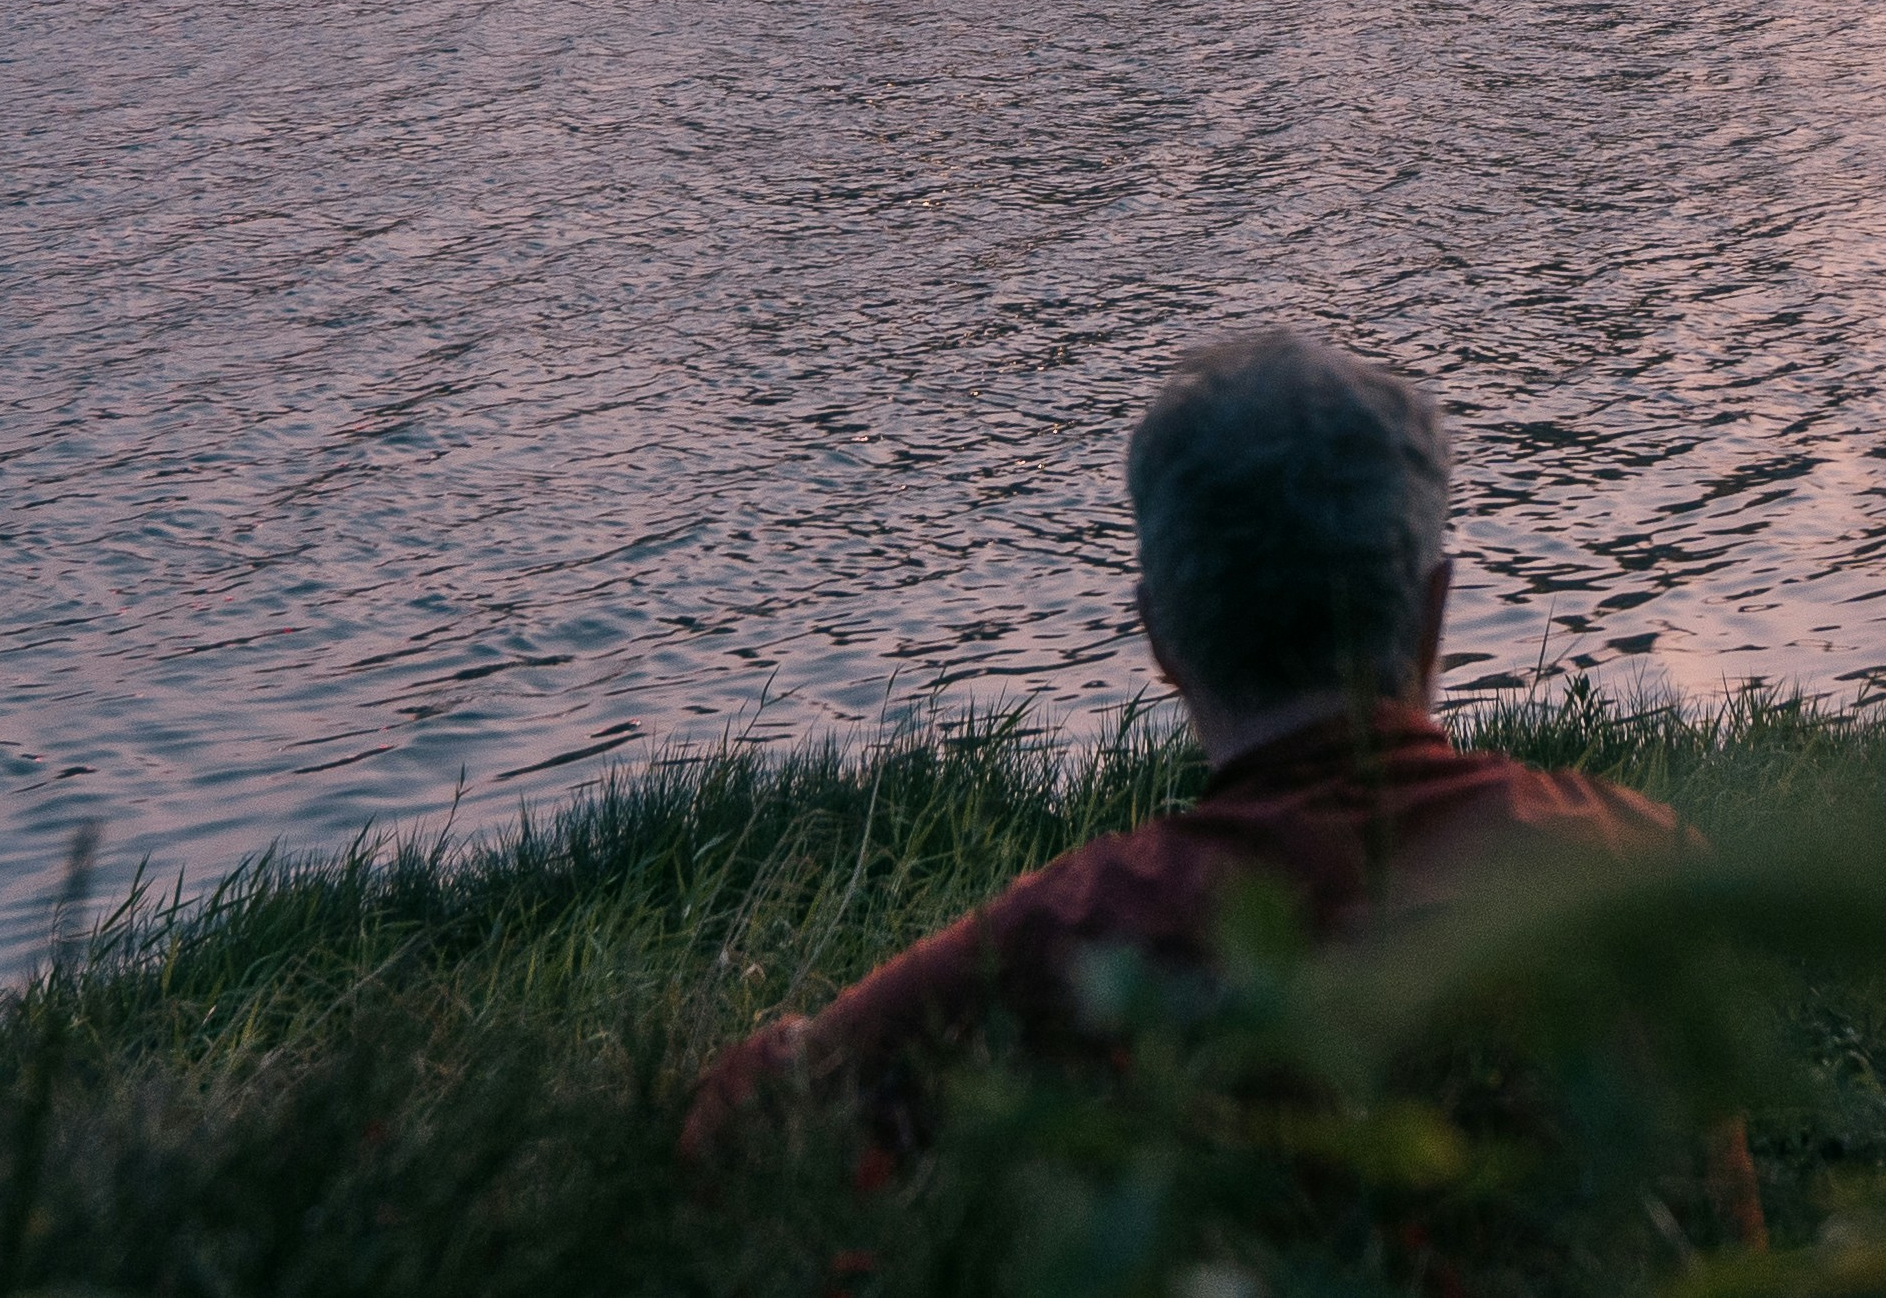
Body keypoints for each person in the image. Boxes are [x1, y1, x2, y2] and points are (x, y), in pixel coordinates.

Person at [682, 326, 1693, 1156]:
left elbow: (754, 1120)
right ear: (1432, 610)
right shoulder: (1639, 866)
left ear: (1160, 633)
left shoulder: (1059, 947)